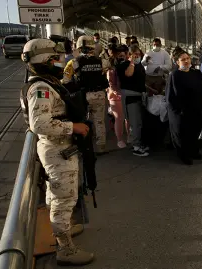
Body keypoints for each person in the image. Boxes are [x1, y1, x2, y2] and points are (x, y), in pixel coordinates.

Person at [21, 38, 94, 265]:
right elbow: (40, 124)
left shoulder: (46, 82)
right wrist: (74, 127)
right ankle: (65, 250)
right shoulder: (41, 87)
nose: (60, 61)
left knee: (57, 195)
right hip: (57, 149)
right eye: (55, 58)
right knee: (64, 199)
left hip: (60, 148)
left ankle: (64, 230)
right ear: (44, 59)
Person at [166, 49, 202, 165]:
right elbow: (170, 97)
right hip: (182, 112)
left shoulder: (196, 73)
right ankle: (183, 155)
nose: (186, 61)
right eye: (183, 59)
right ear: (177, 62)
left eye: (188, 58)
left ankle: (194, 151)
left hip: (197, 109)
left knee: (195, 132)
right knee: (183, 134)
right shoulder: (175, 75)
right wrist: (178, 111)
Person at [62, 35, 110, 154]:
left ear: (78, 48)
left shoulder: (73, 63)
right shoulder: (102, 61)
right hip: (99, 94)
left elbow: (65, 81)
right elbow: (106, 69)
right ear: (93, 47)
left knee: (83, 121)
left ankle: (86, 148)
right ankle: (101, 147)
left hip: (82, 96)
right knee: (99, 121)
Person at [116, 44, 149, 156]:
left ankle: (139, 143)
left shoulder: (139, 66)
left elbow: (141, 81)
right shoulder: (124, 65)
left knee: (139, 123)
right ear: (129, 55)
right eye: (135, 55)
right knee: (135, 123)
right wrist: (131, 62)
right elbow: (128, 74)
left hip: (140, 96)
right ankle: (136, 146)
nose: (138, 57)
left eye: (139, 55)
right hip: (130, 98)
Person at [107, 45, 130, 148]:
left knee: (128, 118)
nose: (121, 57)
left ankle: (129, 136)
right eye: (119, 55)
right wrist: (118, 93)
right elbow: (112, 85)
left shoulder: (128, 67)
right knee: (119, 118)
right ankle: (119, 139)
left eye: (123, 55)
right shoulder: (111, 70)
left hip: (127, 95)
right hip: (116, 97)